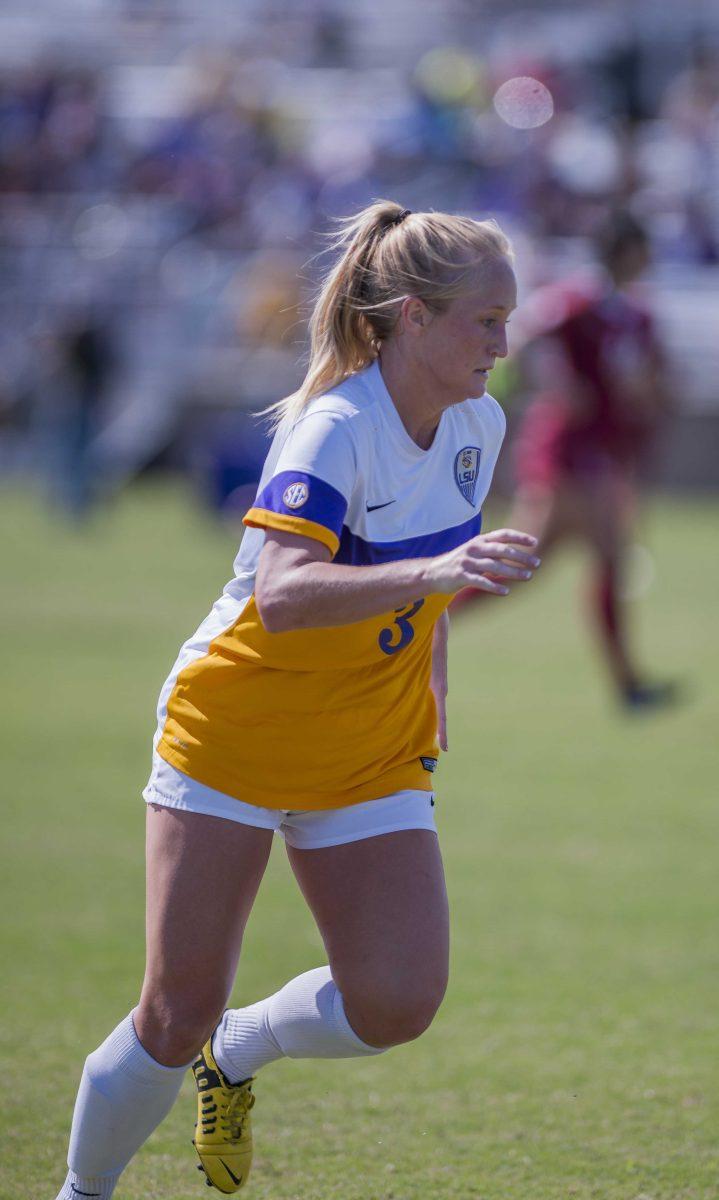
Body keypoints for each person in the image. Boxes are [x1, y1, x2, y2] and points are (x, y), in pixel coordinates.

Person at [52, 200, 540, 1199]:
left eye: (506, 318)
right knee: (171, 1013)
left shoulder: (476, 423)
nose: (503, 342)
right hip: (237, 729)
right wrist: (435, 573)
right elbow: (281, 597)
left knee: (397, 999)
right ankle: (81, 1190)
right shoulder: (334, 428)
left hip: (369, 744)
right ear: (411, 317)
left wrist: (432, 695)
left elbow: (434, 583)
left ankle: (237, 1051)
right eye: (484, 321)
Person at [452, 211, 675, 709]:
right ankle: (629, 686)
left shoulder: (635, 313)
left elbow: (652, 378)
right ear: (625, 251)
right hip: (569, 455)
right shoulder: (579, 300)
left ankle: (629, 684)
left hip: (603, 454)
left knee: (523, 566)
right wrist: (557, 385)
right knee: (560, 561)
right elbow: (528, 340)